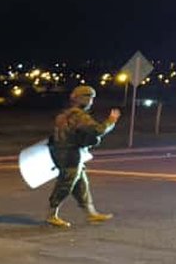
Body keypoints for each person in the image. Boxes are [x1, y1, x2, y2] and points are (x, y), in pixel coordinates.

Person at [47, 85, 121, 228]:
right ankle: (51, 215)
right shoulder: (79, 116)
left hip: (65, 153)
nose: (92, 102)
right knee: (66, 184)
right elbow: (98, 130)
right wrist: (111, 121)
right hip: (71, 154)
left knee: (81, 184)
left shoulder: (65, 115)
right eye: (90, 98)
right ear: (84, 99)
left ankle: (90, 213)